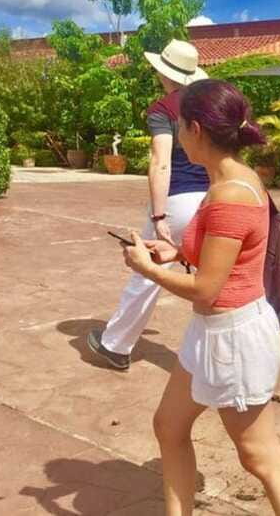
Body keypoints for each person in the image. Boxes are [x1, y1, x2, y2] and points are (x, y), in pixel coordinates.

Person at [121, 79, 280, 516]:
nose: (177, 134)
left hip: (234, 339)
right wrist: (174, 251)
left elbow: (208, 287)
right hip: (210, 333)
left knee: (259, 457)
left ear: (197, 129)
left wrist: (149, 269)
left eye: (179, 125)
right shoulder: (231, 180)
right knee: (169, 426)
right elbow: (223, 255)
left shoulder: (229, 195)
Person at [88, 40, 210, 370]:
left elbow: (161, 162)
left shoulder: (164, 109)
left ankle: (115, 345)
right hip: (213, 197)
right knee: (214, 276)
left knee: (148, 272)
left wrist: (158, 216)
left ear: (162, 72)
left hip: (178, 200)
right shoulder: (208, 104)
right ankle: (221, 358)